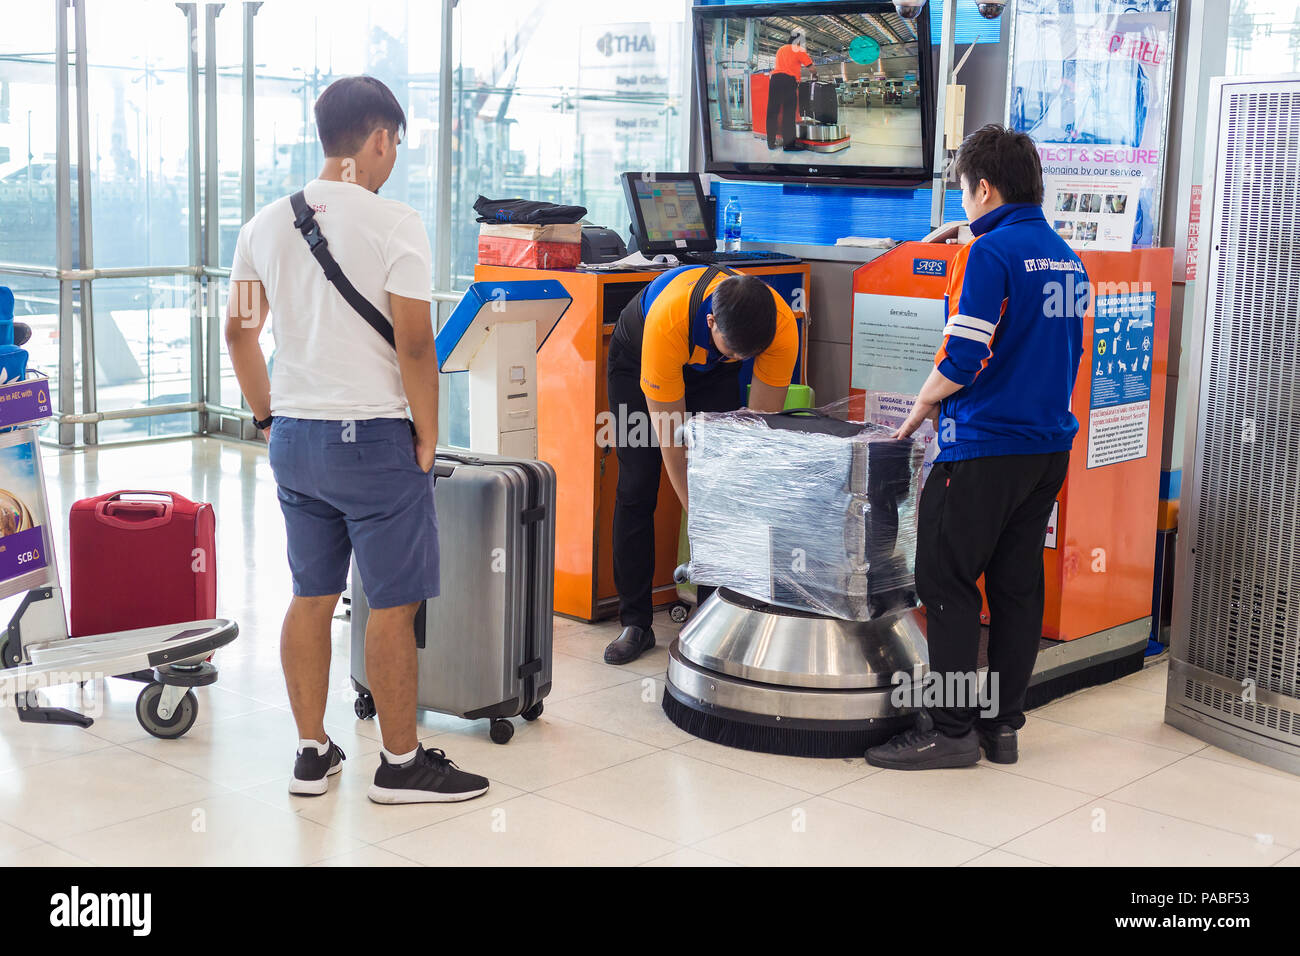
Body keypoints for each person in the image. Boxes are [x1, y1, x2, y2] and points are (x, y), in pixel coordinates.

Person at [225, 75, 489, 804]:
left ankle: (313, 755)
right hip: (372, 441)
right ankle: (400, 766)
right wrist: (430, 435)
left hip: (295, 442)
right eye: (395, 142)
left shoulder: (264, 225)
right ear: (378, 139)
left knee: (311, 594)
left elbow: (238, 333)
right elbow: (413, 343)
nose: (394, 156)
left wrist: (267, 417)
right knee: (393, 603)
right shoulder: (395, 222)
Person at [866, 124, 1087, 770]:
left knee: (948, 579)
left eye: (964, 192)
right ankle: (1001, 728)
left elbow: (965, 354)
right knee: (1018, 584)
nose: (963, 206)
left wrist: (920, 406)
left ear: (984, 188)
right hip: (1045, 450)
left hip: (983, 448)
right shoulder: (1065, 258)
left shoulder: (988, 257)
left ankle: (952, 730)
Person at [603, 266, 800, 664]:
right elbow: (671, 445)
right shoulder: (669, 320)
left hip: (712, 372)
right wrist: (700, 514)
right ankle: (636, 622)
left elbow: (754, 436)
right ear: (711, 321)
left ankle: (712, 617)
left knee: (722, 481)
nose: (743, 359)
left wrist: (736, 508)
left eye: (749, 356)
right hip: (639, 358)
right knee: (638, 482)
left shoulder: (779, 326)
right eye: (735, 352)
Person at [767, 30, 815, 151]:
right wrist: (815, 75)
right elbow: (812, 68)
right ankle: (788, 145)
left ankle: (771, 143)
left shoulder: (781, 49)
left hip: (775, 80)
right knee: (788, 114)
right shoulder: (798, 49)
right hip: (788, 81)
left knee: (772, 112)